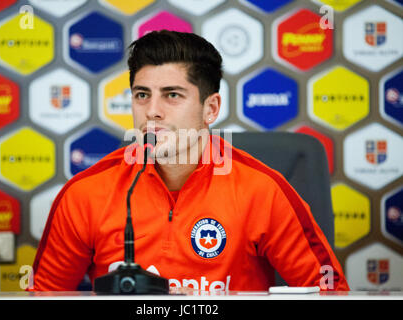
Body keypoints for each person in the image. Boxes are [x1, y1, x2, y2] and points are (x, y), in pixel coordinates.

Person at [32, 30, 349, 291]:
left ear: (210, 109)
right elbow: (42, 297)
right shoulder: (85, 193)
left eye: (172, 95)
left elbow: (331, 293)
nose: (152, 111)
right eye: (142, 94)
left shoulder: (263, 190)